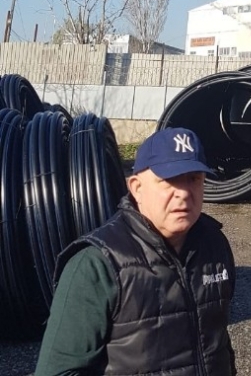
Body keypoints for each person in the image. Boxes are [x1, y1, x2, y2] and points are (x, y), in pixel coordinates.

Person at [34, 126, 237, 376]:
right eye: (169, 180)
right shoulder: (96, 265)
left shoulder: (214, 245)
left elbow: (217, 342)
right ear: (136, 188)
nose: (183, 193)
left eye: (194, 178)